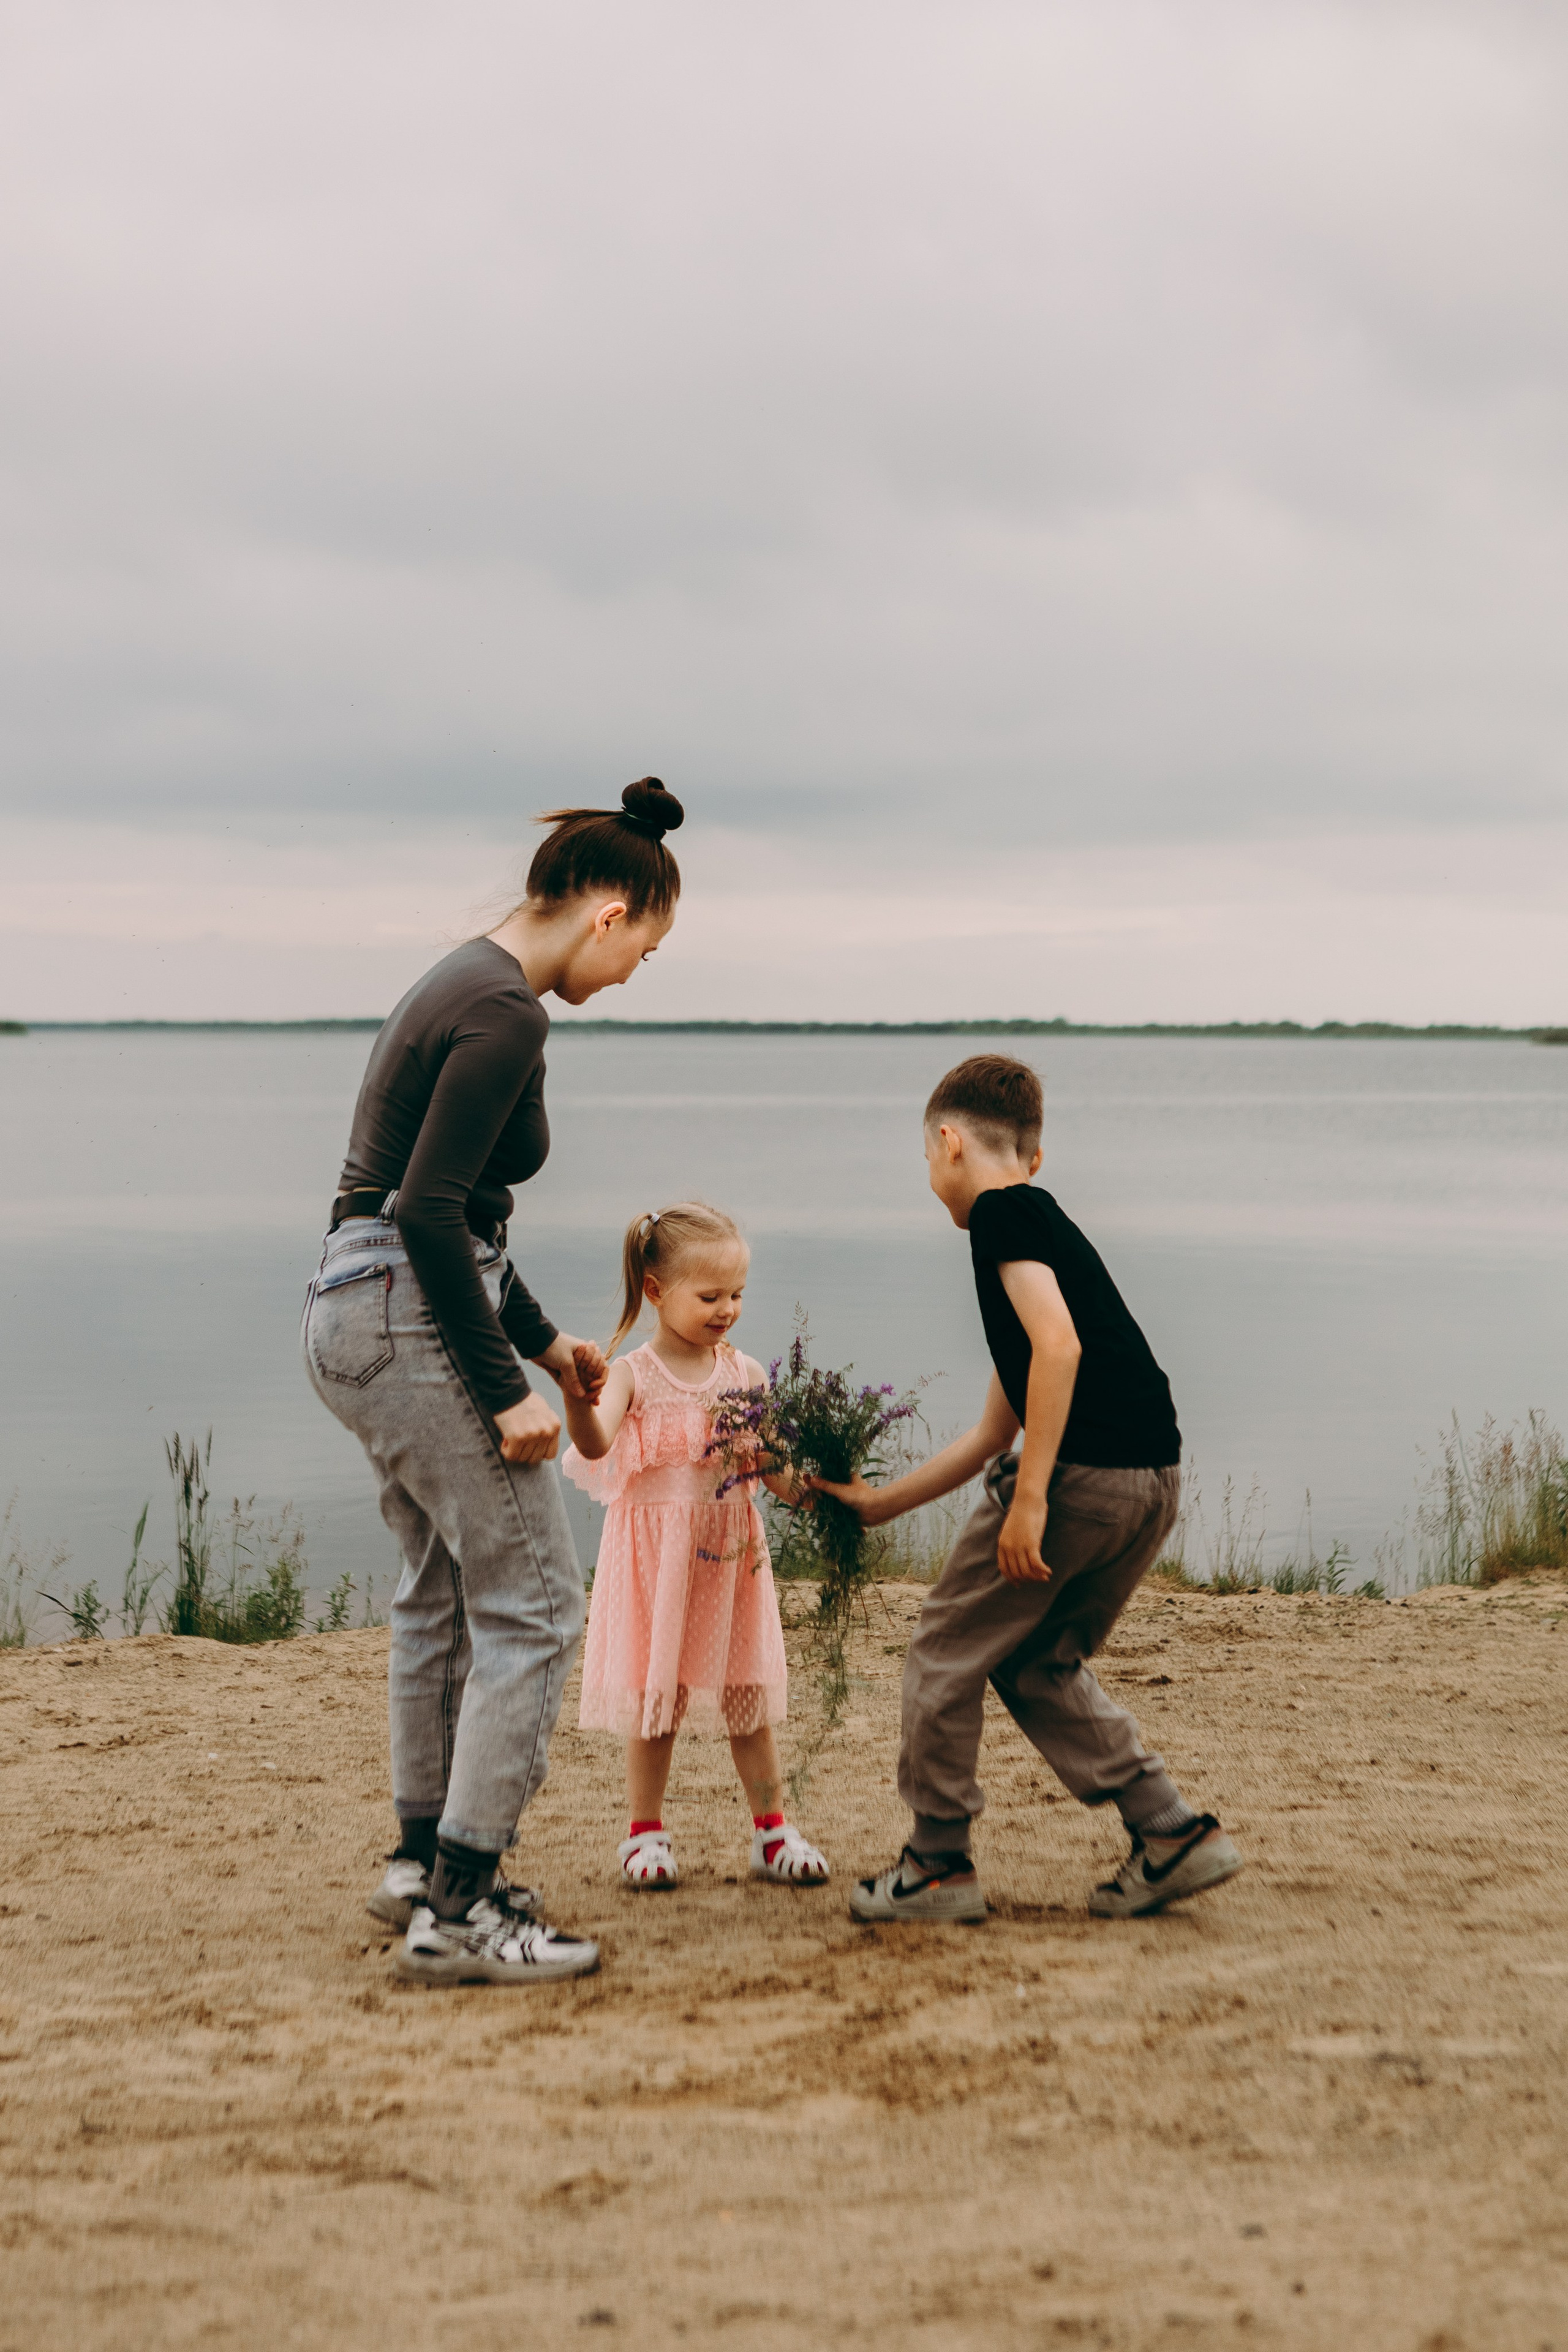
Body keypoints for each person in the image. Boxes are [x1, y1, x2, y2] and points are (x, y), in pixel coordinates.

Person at [303, 777, 684, 1986]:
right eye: (647, 951)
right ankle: (465, 1908)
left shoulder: (457, 977)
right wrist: (505, 1389)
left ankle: (421, 1861)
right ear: (611, 912)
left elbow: (444, 1212)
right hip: (408, 1316)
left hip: (351, 1311)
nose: (632, 978)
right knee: (530, 1604)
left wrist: (545, 1341)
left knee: (440, 1593)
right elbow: (425, 1214)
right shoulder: (508, 1010)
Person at [816, 1054, 1242, 1924]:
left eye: (926, 1156)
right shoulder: (1046, 1224)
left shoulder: (1002, 1219)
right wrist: (877, 1505)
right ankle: (1170, 1832)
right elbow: (993, 1432)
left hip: (1079, 1481)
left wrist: (1035, 1499)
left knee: (942, 1650)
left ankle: (936, 1865)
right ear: (1035, 1155)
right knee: (1035, 1659)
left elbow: (1059, 1350)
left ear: (947, 1143)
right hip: (1148, 1480)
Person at [560, 1202, 830, 1892]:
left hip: (731, 1560)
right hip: (657, 1565)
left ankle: (771, 1831)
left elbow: (769, 1469)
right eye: (709, 1296)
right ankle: (643, 1836)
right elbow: (592, 1444)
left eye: (736, 1294)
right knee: (659, 1700)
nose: (727, 1310)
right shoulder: (633, 1375)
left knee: (749, 1695)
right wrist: (574, 1397)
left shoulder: (744, 1376)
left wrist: (812, 1486)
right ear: (656, 1291)